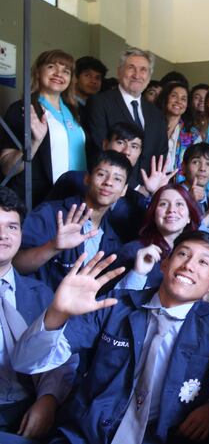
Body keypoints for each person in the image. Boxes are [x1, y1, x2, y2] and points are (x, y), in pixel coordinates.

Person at [11, 231, 209, 444]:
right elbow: (25, 362)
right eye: (183, 254)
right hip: (84, 434)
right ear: (164, 264)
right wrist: (57, 313)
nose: (189, 265)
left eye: (203, 262)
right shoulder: (117, 304)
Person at [0, 187, 76, 441]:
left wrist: (48, 398)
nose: (3, 235)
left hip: (26, 407)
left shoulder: (40, 293)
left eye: (12, 227)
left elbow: (61, 354)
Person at [14, 151, 130, 290]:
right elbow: (14, 263)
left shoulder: (113, 241)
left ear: (124, 190)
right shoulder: (50, 213)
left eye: (117, 179)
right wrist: (53, 247)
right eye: (101, 174)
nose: (108, 182)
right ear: (87, 178)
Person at [0, 49, 87, 207]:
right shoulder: (23, 109)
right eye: (51, 67)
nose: (59, 74)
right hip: (37, 201)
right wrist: (34, 142)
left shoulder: (76, 112)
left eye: (66, 71)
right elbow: (6, 166)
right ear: (38, 72)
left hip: (73, 199)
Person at [84, 48, 168, 188]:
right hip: (111, 189)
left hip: (148, 190)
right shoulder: (100, 103)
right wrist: (135, 187)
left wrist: (150, 187)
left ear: (149, 75)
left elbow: (161, 153)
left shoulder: (156, 113)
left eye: (143, 70)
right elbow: (98, 148)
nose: (137, 75)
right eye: (131, 68)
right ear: (119, 71)